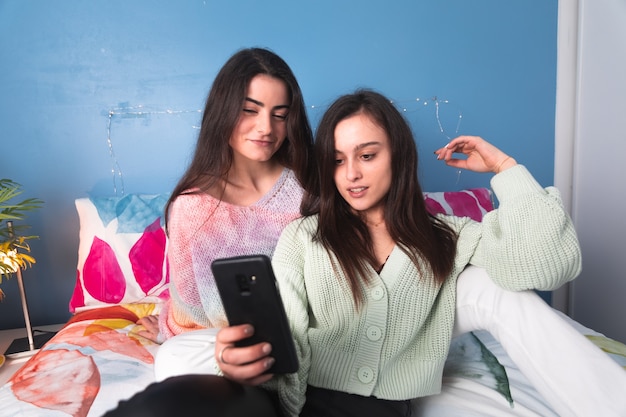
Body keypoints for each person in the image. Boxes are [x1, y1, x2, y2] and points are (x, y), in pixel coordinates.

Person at [254, 89, 625, 416]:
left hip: (387, 408)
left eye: (367, 156)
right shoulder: (305, 237)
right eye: (337, 160)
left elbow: (548, 266)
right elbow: (289, 335)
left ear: (397, 156)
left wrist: (504, 168)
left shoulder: (448, 236)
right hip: (313, 403)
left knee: (495, 285)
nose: (351, 173)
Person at [136, 46, 314, 385]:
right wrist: (170, 327)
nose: (266, 128)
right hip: (224, 342)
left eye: (280, 114)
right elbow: (191, 316)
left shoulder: (310, 190)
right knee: (173, 360)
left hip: (308, 334)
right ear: (224, 110)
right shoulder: (190, 207)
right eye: (250, 110)